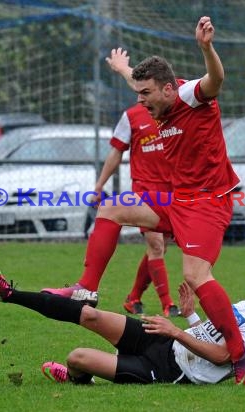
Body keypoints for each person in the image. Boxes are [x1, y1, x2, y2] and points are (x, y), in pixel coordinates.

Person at [39, 16, 245, 381]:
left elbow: (216, 80)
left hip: (206, 202)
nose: (141, 102)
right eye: (138, 94)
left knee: (196, 274)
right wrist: (124, 69)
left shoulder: (189, 96)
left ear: (169, 89)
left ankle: (238, 354)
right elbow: (142, 85)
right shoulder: (158, 98)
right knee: (112, 206)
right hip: (175, 199)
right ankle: (86, 290)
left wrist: (206, 48)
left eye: (146, 95)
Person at [0, 260, 245, 385]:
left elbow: (225, 357)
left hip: (172, 370)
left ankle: (77, 378)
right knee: (89, 313)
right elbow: (214, 336)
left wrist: (176, 330)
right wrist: (190, 316)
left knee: (76, 357)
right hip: (166, 339)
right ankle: (10, 294)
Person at [94, 101, 179, 317]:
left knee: (159, 249)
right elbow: (115, 153)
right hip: (144, 189)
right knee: (157, 245)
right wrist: (99, 185)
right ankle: (168, 305)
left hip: (171, 189)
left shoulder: (175, 109)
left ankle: (133, 298)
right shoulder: (131, 116)